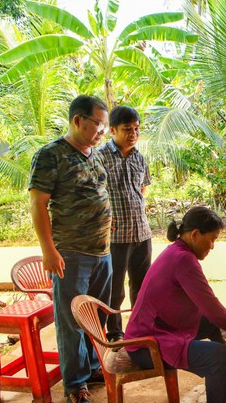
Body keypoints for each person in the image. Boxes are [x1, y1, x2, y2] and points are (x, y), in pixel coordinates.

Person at [124, 206, 226, 403]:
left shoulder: (176, 251)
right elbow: (209, 305)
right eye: (212, 239)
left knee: (214, 325)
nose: (212, 246)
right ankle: (224, 371)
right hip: (147, 344)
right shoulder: (183, 259)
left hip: (159, 328)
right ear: (194, 234)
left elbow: (209, 308)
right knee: (218, 358)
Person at [29, 95, 112, 403]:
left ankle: (91, 368)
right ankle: (75, 386)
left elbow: (97, 191)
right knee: (71, 322)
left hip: (102, 251)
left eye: (104, 125)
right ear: (78, 120)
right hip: (71, 253)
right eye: (98, 124)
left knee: (95, 318)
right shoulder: (51, 154)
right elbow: (38, 204)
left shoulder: (95, 154)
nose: (102, 131)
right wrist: (48, 250)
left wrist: (106, 220)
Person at [99, 105, 152, 343]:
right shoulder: (100, 157)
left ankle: (139, 330)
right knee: (115, 289)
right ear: (112, 130)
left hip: (142, 233)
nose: (133, 133)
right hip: (116, 236)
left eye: (136, 129)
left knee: (142, 288)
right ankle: (115, 333)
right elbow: (94, 193)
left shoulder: (140, 158)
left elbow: (142, 190)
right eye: (127, 129)